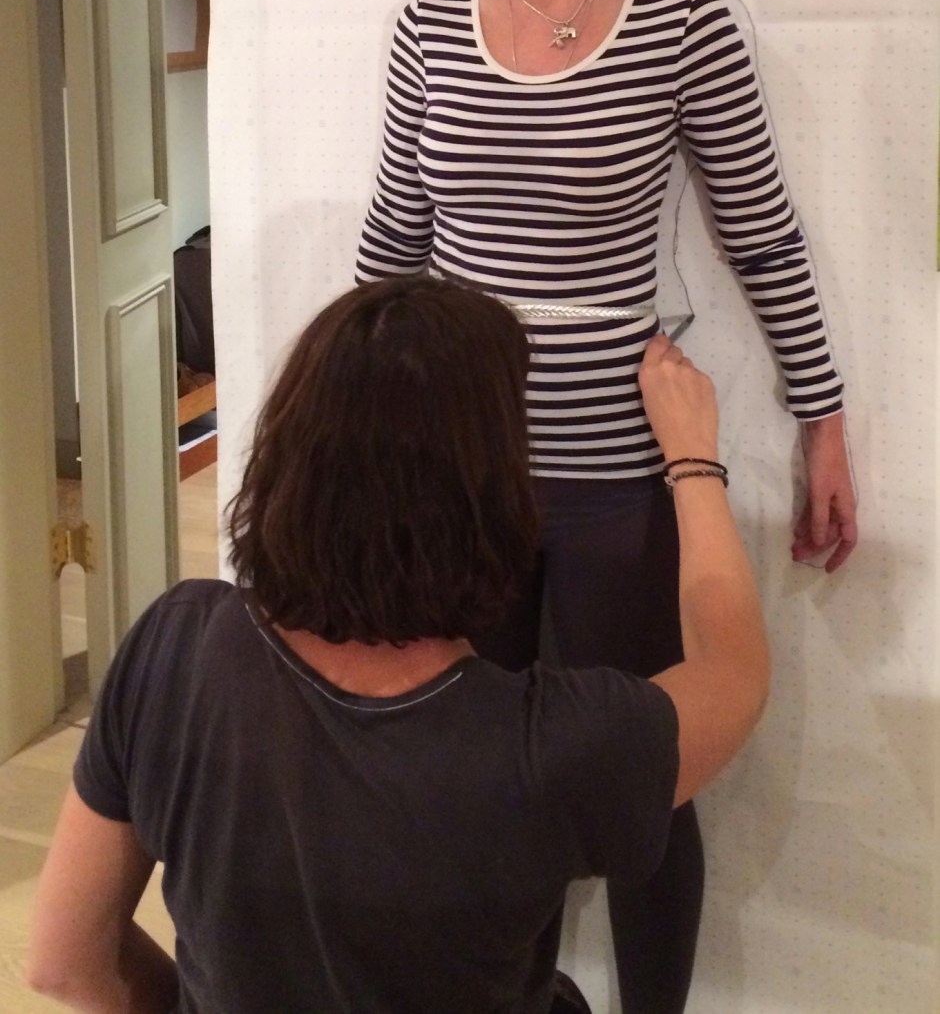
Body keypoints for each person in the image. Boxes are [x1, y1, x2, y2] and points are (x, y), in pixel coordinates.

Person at [354, 0, 856, 1012]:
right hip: (454, 471)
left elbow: (763, 233)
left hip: (622, 477)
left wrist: (823, 420)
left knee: (641, 778)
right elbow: (391, 253)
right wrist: (349, 446)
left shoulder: (683, 24)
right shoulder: (428, 28)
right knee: (464, 774)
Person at [28, 276, 769, 1014]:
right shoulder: (555, 747)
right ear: (494, 492)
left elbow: (63, 963)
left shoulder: (174, 645)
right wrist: (692, 459)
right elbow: (735, 671)